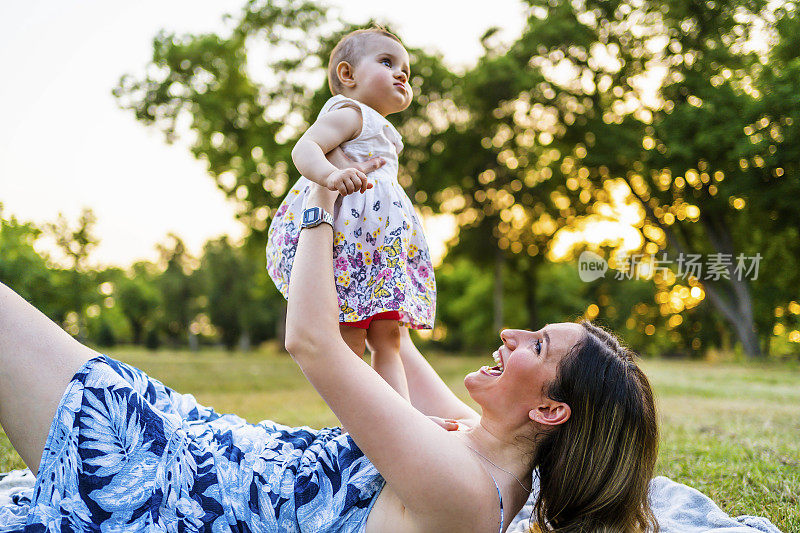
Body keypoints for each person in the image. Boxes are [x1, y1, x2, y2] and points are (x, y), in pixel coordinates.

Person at [0, 162, 658, 532]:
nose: (511, 335)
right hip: (194, 448)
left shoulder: (466, 491)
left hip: (157, 488)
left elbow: (312, 341)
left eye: (536, 345)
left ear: (549, 410)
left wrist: (319, 190)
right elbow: (384, 333)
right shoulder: (467, 436)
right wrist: (374, 218)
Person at [266, 25, 436, 400]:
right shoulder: (352, 113)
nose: (402, 73)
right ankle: (363, 427)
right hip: (350, 249)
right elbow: (305, 148)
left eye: (406, 68)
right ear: (348, 75)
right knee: (352, 336)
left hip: (379, 252)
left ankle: (403, 421)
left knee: (389, 338)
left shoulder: (384, 130)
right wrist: (332, 175)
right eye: (387, 62)